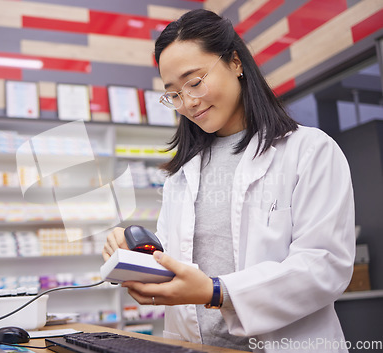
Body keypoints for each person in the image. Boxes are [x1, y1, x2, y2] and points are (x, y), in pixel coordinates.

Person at [102, 8, 355, 353]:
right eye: (174, 94)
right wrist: (140, 258)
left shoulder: (310, 151)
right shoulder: (182, 175)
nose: (188, 102)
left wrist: (217, 291)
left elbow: (325, 266)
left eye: (194, 82)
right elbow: (184, 261)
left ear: (235, 62)